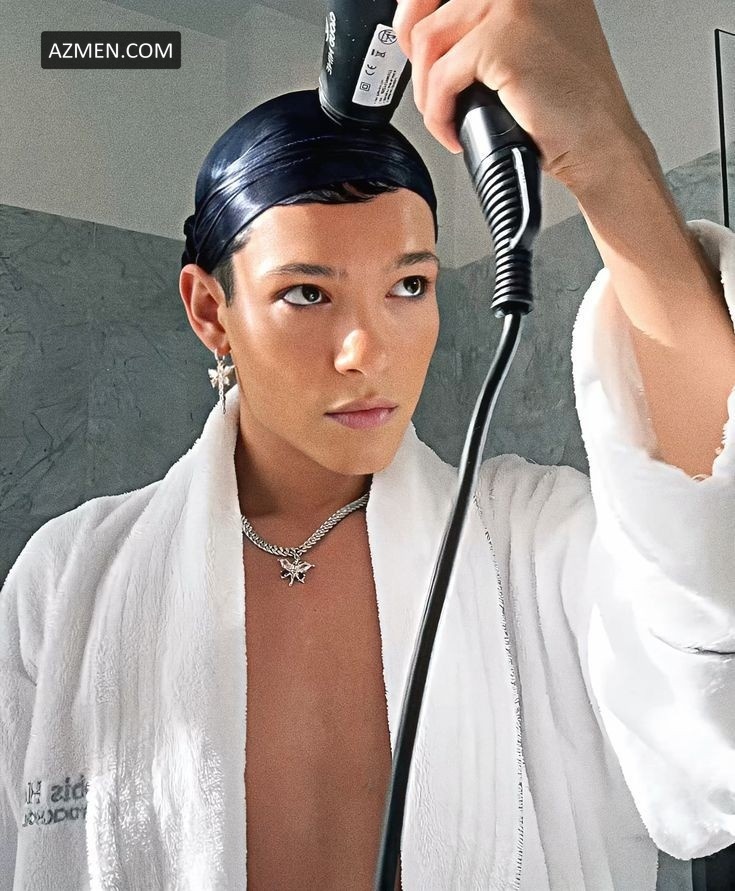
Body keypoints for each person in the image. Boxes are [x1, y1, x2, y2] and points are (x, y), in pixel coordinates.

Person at [2, 0, 734, 888]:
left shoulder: (530, 543)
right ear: (210, 312)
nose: (367, 350)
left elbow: (708, 661)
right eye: (307, 293)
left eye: (409, 284)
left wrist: (607, 151)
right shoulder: (67, 582)